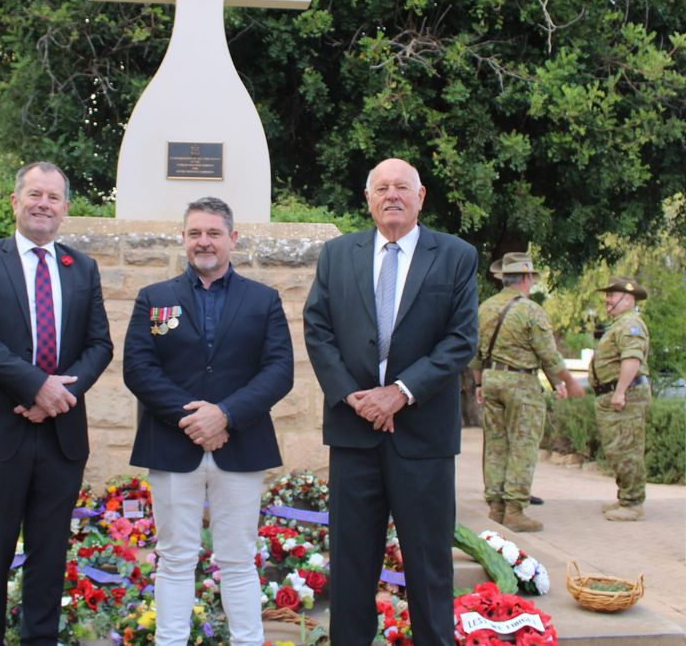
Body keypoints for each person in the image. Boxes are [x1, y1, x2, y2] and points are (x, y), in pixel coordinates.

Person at [303, 158, 477, 646]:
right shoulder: (337, 255)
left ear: (422, 197)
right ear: (368, 198)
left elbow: (460, 340)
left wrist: (399, 393)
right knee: (353, 567)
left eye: (403, 187)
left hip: (423, 439)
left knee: (428, 568)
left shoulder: (456, 256)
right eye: (382, 187)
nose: (392, 195)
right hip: (354, 433)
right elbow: (317, 329)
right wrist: (351, 395)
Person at [0, 161, 113, 645]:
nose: (43, 204)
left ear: (65, 208)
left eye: (53, 197)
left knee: (49, 556)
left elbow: (100, 345)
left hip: (60, 434)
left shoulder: (81, 267)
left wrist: (57, 396)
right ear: (15, 201)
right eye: (34, 194)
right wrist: (33, 386)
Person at [123, 197, 294, 646]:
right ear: (183, 238)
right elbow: (139, 369)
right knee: (175, 558)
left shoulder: (264, 299)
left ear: (232, 239)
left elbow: (279, 370)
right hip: (172, 445)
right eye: (195, 233)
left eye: (214, 233)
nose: (204, 241)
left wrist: (225, 415)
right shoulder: (154, 299)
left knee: (238, 559)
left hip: (241, 446)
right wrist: (195, 419)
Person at [470, 252, 584, 532]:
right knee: (522, 445)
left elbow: (474, 354)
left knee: (495, 445)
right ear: (525, 277)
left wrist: (479, 384)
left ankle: (495, 507)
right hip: (521, 384)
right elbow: (548, 354)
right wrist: (569, 382)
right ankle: (515, 510)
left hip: (492, 378)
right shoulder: (530, 310)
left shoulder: (485, 307)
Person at [589, 276, 651, 521]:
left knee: (627, 448)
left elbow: (632, 359)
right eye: (607, 295)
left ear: (628, 299)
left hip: (626, 396)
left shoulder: (630, 324)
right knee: (618, 449)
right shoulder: (619, 324)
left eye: (612, 295)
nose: (607, 299)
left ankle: (633, 504)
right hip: (615, 395)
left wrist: (620, 391)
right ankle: (625, 497)